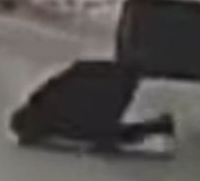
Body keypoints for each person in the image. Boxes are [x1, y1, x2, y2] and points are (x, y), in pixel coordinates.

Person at [10, 59, 176, 153]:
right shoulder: (46, 106)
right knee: (104, 128)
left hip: (108, 85)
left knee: (103, 129)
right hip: (106, 79)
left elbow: (90, 129)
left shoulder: (55, 116)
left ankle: (159, 126)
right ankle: (160, 126)